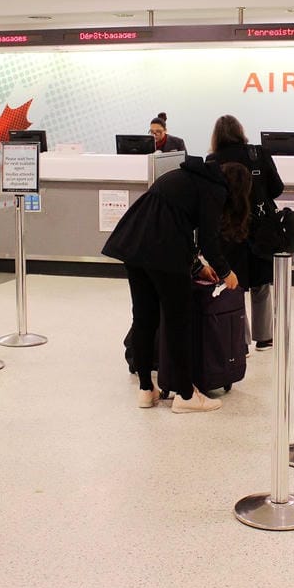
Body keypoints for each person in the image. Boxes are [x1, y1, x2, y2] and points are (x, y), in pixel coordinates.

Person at [102, 154, 249, 413]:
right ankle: (185, 395)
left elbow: (173, 220)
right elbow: (208, 241)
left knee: (144, 319)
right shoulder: (215, 190)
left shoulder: (187, 177)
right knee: (177, 321)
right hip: (164, 253)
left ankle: (146, 389)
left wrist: (197, 267)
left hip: (135, 244)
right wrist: (227, 272)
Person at [207, 114, 284, 352]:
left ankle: (240, 340)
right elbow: (277, 188)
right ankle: (265, 338)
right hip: (261, 228)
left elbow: (211, 197)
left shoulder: (213, 160)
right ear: (241, 132)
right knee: (262, 283)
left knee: (234, 284)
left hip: (229, 229)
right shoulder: (258, 153)